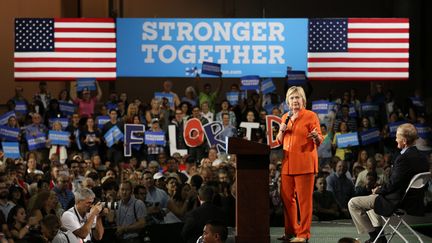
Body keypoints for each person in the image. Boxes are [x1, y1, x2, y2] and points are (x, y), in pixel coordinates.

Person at [348, 123, 429, 243]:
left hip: (397, 201)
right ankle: (379, 238)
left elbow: (394, 184)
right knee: (372, 200)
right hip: (414, 201)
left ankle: (374, 238)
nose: (395, 139)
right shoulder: (423, 157)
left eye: (397, 137)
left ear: (404, 141)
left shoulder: (403, 158)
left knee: (353, 203)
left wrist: (379, 190)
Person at [276, 86, 322, 242]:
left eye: (297, 97)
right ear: (288, 101)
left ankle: (303, 234)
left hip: (304, 164)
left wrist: (315, 136)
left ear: (303, 100)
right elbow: (279, 141)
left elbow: (319, 140)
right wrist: (282, 130)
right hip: (287, 164)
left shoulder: (310, 116)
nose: (295, 100)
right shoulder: (284, 117)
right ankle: (290, 232)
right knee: (287, 199)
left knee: (304, 201)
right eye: (292, 98)